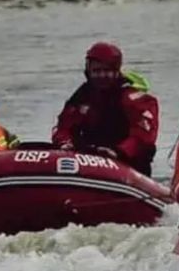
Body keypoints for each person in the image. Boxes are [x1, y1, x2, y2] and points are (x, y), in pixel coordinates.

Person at [51, 42, 159, 175]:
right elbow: (63, 127)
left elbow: (143, 137)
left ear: (116, 71)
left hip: (128, 166)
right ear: (88, 71)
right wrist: (65, 143)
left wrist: (117, 152)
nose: (102, 75)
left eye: (107, 71)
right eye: (97, 71)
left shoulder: (134, 99)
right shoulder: (82, 97)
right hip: (87, 163)